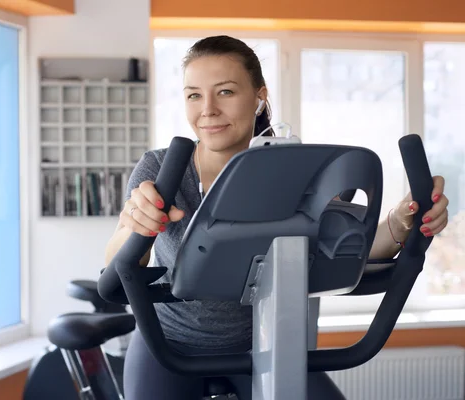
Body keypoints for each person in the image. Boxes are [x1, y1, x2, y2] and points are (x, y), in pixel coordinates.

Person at [104, 35, 450, 400]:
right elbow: (117, 265)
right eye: (194, 94)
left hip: (263, 343)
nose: (207, 109)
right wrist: (132, 224)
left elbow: (345, 248)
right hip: (168, 340)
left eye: (224, 92)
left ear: (259, 97)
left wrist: (402, 220)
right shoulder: (161, 169)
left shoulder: (294, 171)